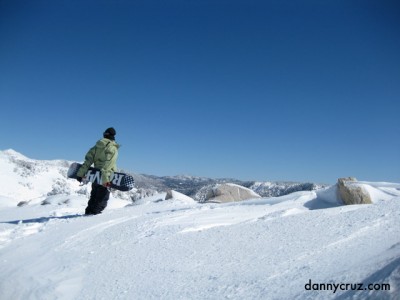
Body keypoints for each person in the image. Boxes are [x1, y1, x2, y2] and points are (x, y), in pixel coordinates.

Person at [76, 127, 120, 215]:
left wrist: (80, 173)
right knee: (101, 201)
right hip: (106, 177)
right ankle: (91, 220)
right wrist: (105, 180)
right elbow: (108, 165)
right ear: (113, 136)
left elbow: (87, 162)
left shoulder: (96, 147)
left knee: (93, 198)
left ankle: (86, 216)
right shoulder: (112, 148)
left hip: (95, 175)